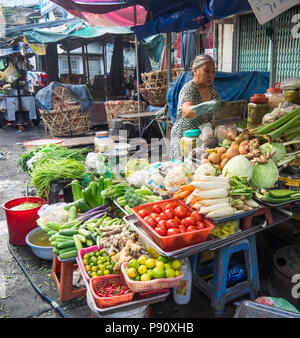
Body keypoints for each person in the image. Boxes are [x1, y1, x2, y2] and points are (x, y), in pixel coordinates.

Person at [170, 54, 221, 159]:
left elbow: (220, 108)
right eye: (207, 71)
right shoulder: (189, 88)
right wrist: (206, 106)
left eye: (213, 72)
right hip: (184, 140)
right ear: (195, 71)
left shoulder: (211, 89)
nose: (211, 75)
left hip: (200, 140)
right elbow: (187, 112)